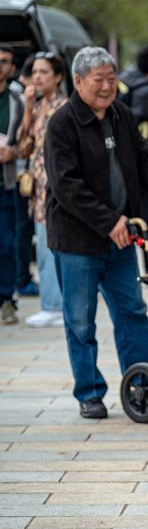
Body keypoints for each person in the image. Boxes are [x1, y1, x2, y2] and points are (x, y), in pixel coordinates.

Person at [44, 46, 148, 419]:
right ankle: (89, 392)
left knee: (132, 311)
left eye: (111, 79)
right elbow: (66, 186)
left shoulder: (121, 114)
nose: (106, 87)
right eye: (98, 80)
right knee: (80, 318)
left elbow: (147, 164)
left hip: (121, 238)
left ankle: (141, 388)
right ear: (78, 81)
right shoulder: (62, 124)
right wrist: (108, 221)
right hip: (77, 240)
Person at [16, 51, 68, 328]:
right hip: (38, 187)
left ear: (57, 77)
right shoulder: (37, 106)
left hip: (55, 186)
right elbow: (23, 146)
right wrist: (27, 107)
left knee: (51, 246)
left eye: (44, 72)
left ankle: (55, 305)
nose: (37, 77)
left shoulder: (63, 106)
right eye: (34, 72)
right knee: (44, 244)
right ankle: (51, 303)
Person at [0, 44, 25, 324]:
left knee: (6, 244)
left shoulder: (18, 101)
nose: (0, 66)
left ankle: (6, 298)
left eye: (4, 61)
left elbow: (28, 140)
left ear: (12, 68)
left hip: (6, 182)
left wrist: (13, 152)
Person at [13, 58, 36, 298]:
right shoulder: (19, 99)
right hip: (19, 174)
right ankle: (21, 279)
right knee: (22, 228)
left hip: (18, 174)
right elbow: (23, 141)